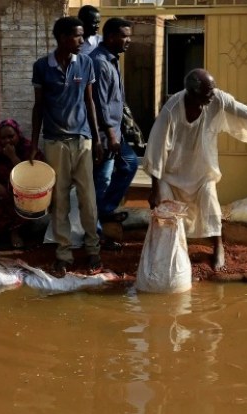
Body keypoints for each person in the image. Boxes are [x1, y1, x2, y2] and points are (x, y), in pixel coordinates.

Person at [143, 68, 247, 270]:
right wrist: (154, 188)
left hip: (201, 172)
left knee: (211, 204)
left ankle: (218, 248)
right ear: (192, 93)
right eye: (207, 93)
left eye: (213, 91)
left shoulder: (217, 99)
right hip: (171, 174)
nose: (212, 96)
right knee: (167, 210)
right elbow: (156, 149)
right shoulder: (171, 111)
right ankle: (170, 252)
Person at [30, 16, 104, 278]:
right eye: (77, 36)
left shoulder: (86, 63)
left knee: (88, 199)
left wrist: (96, 139)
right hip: (54, 142)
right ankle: (63, 253)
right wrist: (33, 143)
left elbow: (90, 102)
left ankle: (93, 250)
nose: (82, 41)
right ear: (62, 38)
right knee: (59, 200)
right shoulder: (42, 67)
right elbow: (38, 106)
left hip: (82, 140)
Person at [89, 18, 139, 250]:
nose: (128, 40)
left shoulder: (111, 60)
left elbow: (116, 100)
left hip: (115, 132)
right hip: (102, 134)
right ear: (110, 37)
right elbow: (98, 104)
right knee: (102, 180)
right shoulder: (99, 62)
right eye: (124, 36)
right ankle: (97, 234)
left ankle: (106, 210)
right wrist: (109, 135)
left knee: (129, 164)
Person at [0, 119, 44, 249]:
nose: (7, 141)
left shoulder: (29, 149)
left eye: (11, 136)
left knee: (21, 197)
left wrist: (13, 157)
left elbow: (31, 177)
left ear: (18, 134)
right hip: (1, 186)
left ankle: (15, 232)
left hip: (22, 187)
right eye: (3, 138)